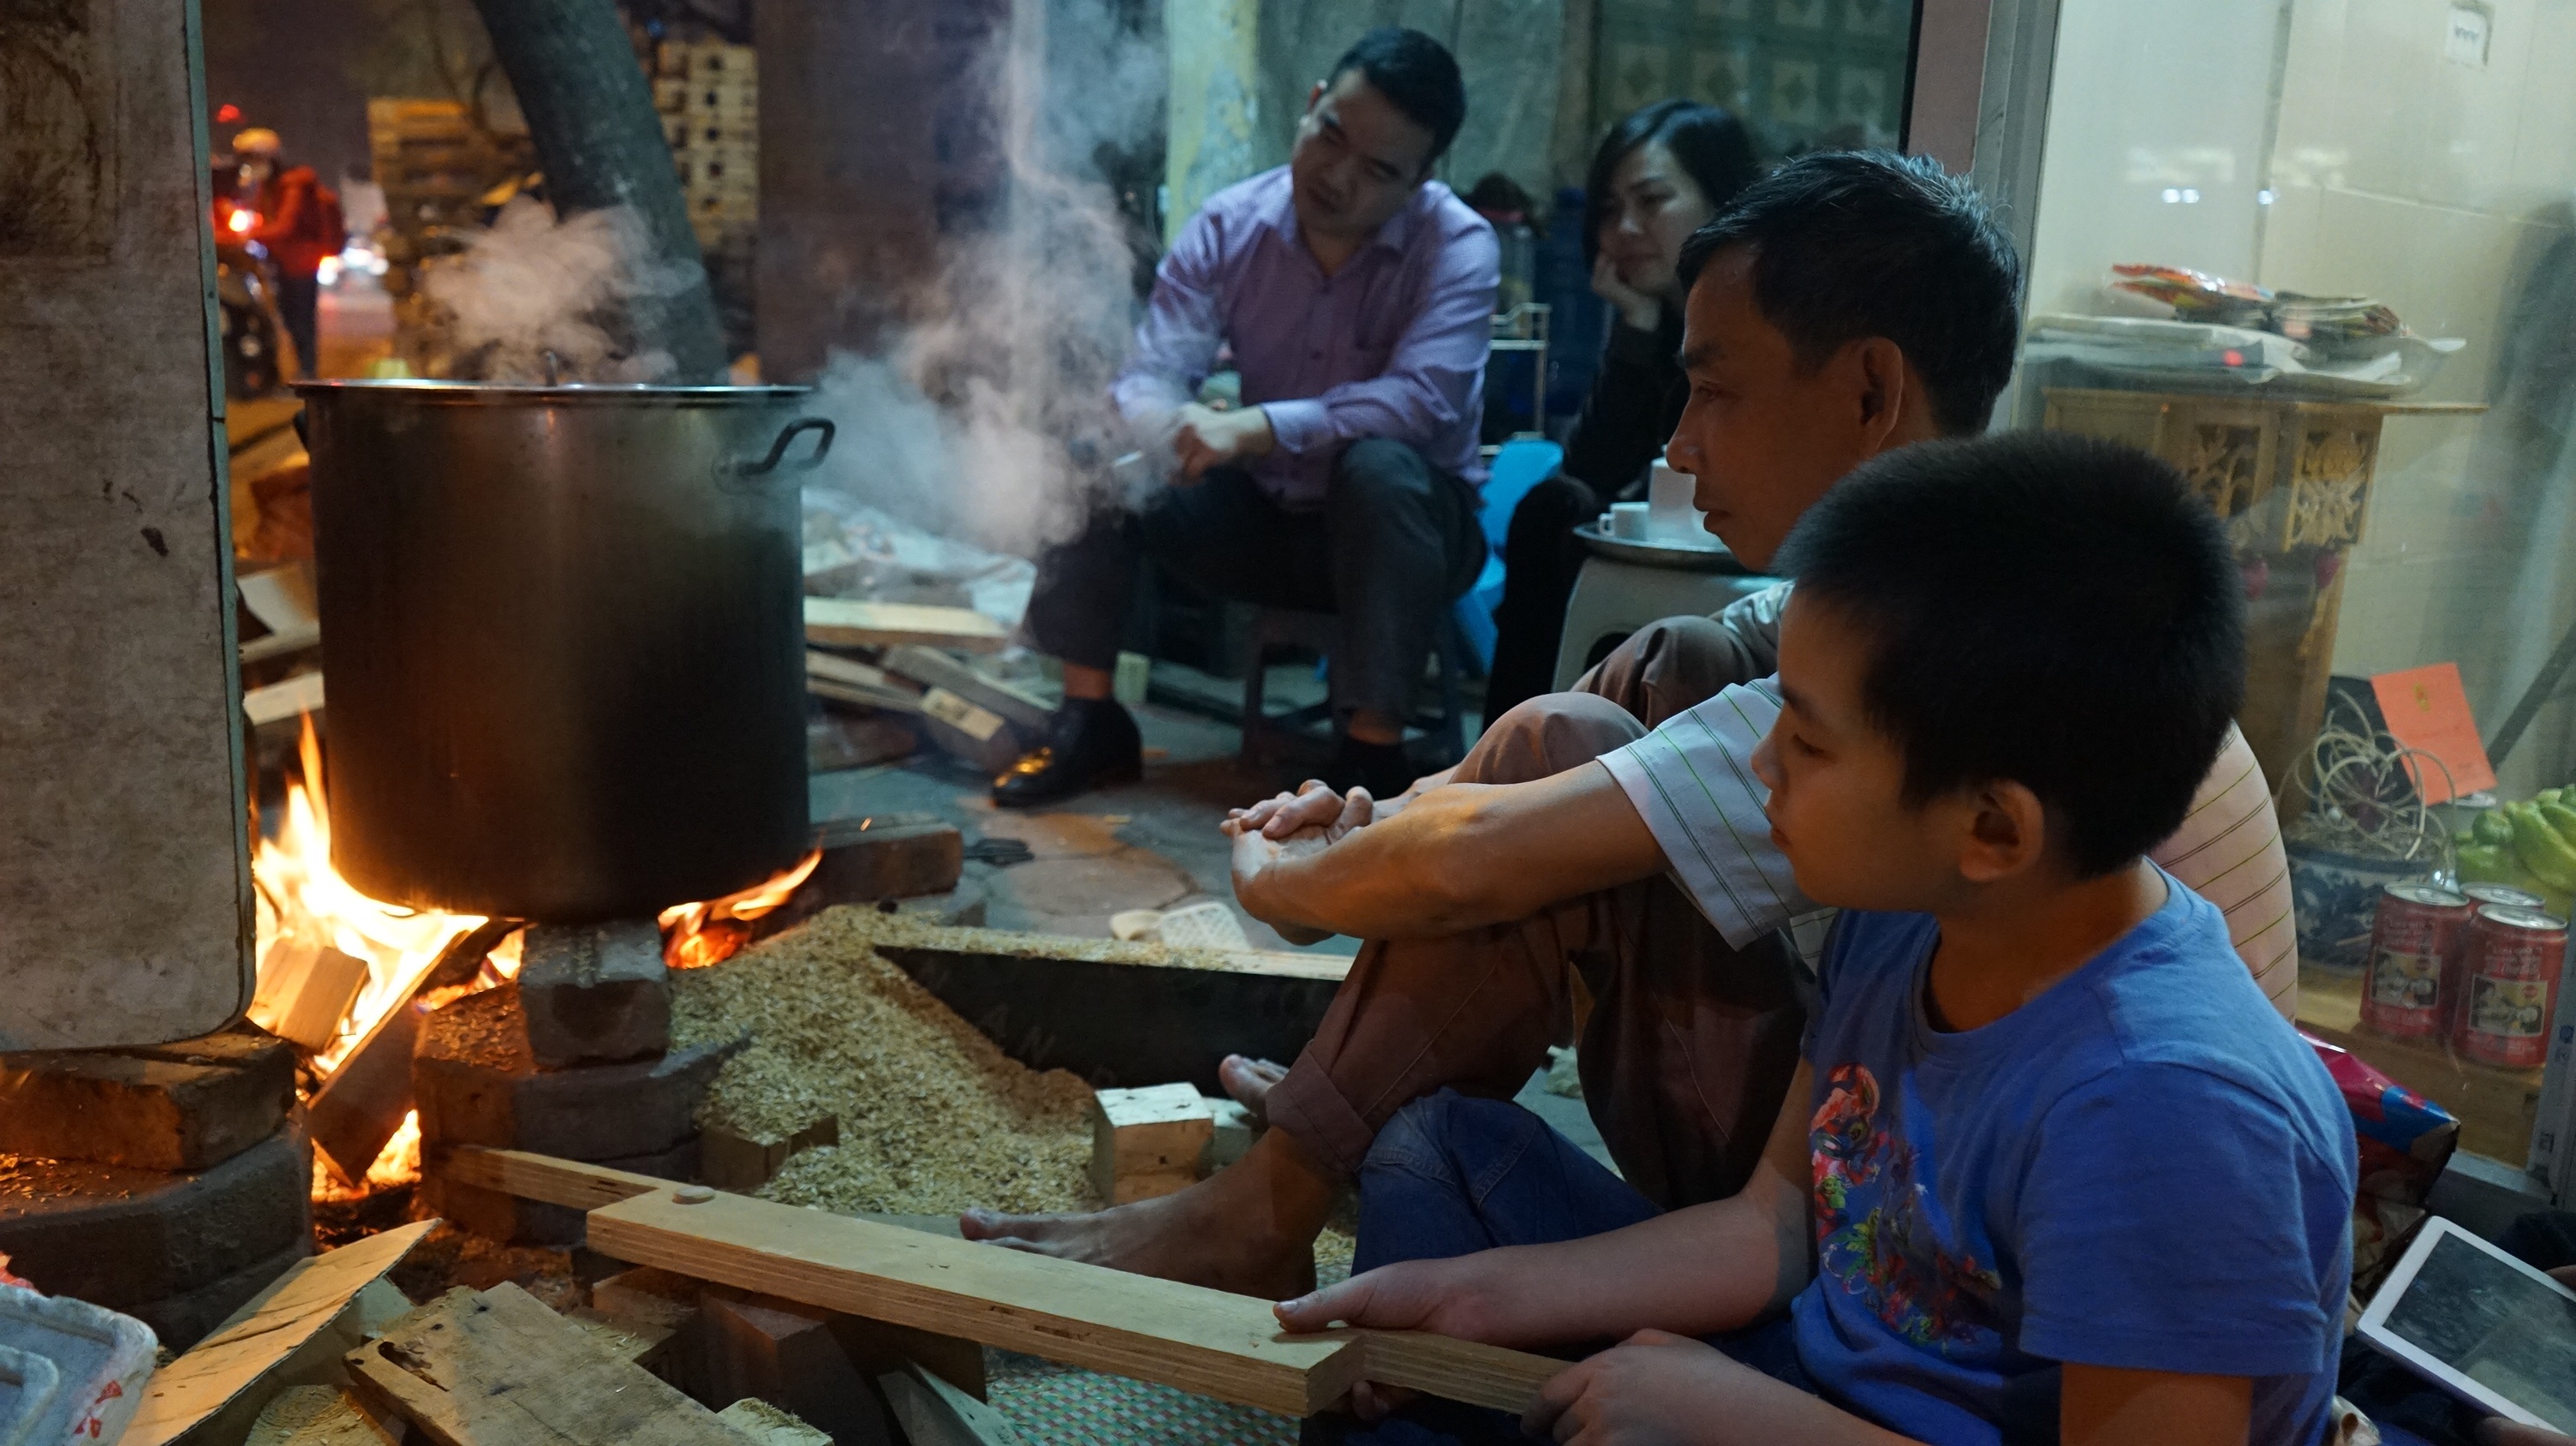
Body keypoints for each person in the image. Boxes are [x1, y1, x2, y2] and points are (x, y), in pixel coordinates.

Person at [958, 153, 2296, 1306]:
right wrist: (1376, 826)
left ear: (1873, 393)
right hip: (1865, 1158)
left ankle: (1267, 1204)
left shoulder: (1934, 691)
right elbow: (1502, 817)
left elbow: (1487, 856)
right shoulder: (1922, 617)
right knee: (1658, 676)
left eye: (1714, 388)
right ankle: (1322, 1132)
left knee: (1557, 786)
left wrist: (1282, 880)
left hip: (1949, 1239)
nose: (1685, 443)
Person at [1273, 432, 2358, 1446]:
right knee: (1435, 1152)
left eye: (1806, 738)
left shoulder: (2166, 1105)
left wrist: (1734, 1419)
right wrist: (1472, 1300)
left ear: (1991, 825)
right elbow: (1773, 1223)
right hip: (1812, 1378)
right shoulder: (1907, 917)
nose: (1761, 767)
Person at [998, 27, 1499, 808]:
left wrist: (1257, 426)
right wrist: (1166, 422)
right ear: (1311, 106)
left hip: (1410, 540)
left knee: (1379, 469)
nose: (1336, 177)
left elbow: (1423, 401)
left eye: (1378, 171)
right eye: (1330, 134)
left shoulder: (1459, 245)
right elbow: (1151, 374)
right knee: (1103, 448)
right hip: (1262, 521)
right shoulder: (1233, 225)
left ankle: (1371, 758)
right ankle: (1090, 717)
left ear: (1422, 179)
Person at [1482, 100, 1761, 721]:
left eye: (1652, 200)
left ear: (1723, 200)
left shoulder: (1759, 328)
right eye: (1610, 210)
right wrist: (1634, 330)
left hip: (1737, 553)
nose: (1624, 228)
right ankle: (1507, 749)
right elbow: (1592, 476)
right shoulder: (1654, 330)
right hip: (1642, 561)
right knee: (1551, 506)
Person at [233, 128, 342, 379]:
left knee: (301, 319)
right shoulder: (270, 187)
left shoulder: (294, 185)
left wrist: (247, 236)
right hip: (283, 262)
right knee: (289, 318)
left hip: (301, 262)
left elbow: (285, 226)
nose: (250, 167)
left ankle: (307, 372)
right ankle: (302, 370)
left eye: (254, 160)